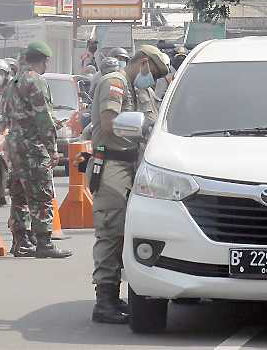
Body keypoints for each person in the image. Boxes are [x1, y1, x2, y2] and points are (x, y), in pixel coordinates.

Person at [89, 45, 168, 324]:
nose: (153, 79)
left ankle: (113, 295)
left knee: (127, 232)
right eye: (153, 73)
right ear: (143, 63)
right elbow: (110, 124)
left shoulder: (136, 88)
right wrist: (144, 128)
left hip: (130, 164)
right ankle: (104, 300)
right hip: (112, 164)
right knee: (111, 231)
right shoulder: (115, 82)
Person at [2, 41, 72, 259]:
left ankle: (21, 242)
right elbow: (43, 118)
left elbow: (7, 115)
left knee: (19, 195)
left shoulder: (12, 82)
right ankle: (44, 243)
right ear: (45, 60)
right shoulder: (36, 81)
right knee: (41, 194)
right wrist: (53, 150)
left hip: (15, 145)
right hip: (33, 146)